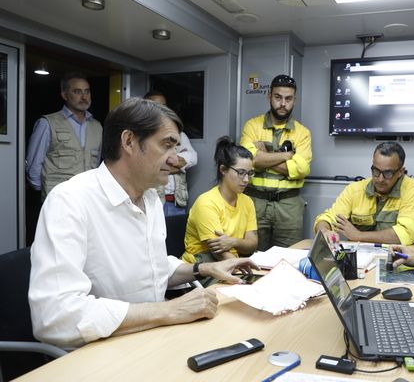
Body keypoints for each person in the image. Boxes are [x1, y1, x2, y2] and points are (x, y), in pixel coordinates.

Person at [28, 98, 258, 348]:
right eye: (167, 146)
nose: (175, 160)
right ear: (129, 141)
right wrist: (169, 311)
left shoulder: (149, 198)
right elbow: (54, 316)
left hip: (150, 337)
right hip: (99, 350)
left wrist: (203, 269)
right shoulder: (71, 201)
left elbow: (152, 269)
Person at [240, 74, 312, 251]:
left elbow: (301, 169)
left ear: (294, 100)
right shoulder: (252, 126)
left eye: (288, 99)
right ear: (269, 97)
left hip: (289, 207)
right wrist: (286, 156)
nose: (283, 103)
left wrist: (264, 156)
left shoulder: (303, 133)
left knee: (289, 260)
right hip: (255, 202)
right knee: (252, 258)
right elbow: (249, 160)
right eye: (278, 97)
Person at [314, 142, 414, 245]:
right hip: (361, 259)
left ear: (400, 172)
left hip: (397, 259)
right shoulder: (355, 189)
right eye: (376, 171)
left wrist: (359, 236)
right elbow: (328, 218)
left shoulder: (410, 188)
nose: (380, 179)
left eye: (388, 173)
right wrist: (324, 230)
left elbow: (407, 232)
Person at [183, 136, 258, 268]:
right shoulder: (206, 203)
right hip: (201, 264)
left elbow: (252, 244)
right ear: (223, 170)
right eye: (241, 172)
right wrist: (242, 266)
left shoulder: (247, 202)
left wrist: (233, 242)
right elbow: (219, 252)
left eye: (250, 173)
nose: (246, 179)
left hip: (232, 260)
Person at [26, 72, 102, 200]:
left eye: (87, 91)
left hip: (89, 197)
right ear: (65, 95)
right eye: (77, 92)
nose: (84, 97)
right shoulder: (47, 123)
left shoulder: (97, 126)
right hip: (58, 197)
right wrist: (44, 192)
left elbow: (97, 164)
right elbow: (34, 165)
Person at [144, 91, 197, 216]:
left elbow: (193, 157)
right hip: (151, 202)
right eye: (157, 105)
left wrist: (166, 164)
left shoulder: (179, 134)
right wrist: (178, 167)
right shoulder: (143, 135)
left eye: (164, 105)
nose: (162, 109)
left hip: (176, 203)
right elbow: (147, 166)